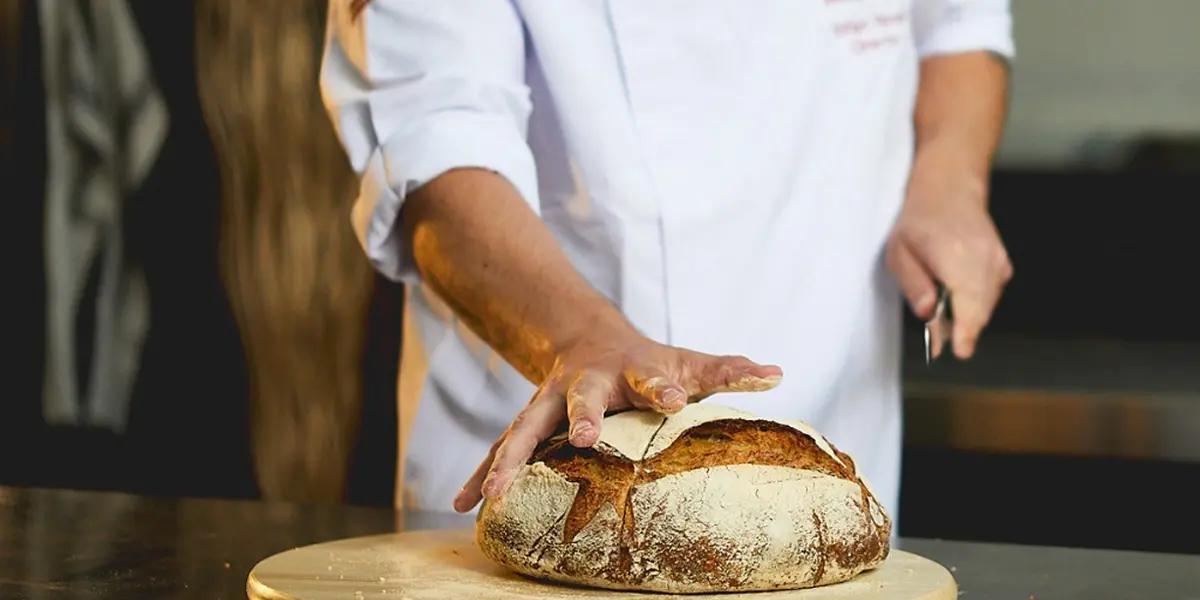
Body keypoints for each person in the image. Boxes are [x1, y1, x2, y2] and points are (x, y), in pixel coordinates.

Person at [320, 0, 1015, 526]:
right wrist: (576, 337)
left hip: (834, 441)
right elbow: (436, 139)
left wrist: (950, 184)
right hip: (554, 456)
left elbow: (958, 25)